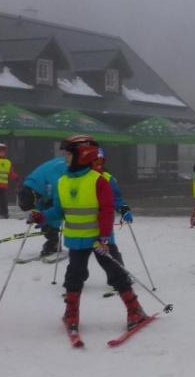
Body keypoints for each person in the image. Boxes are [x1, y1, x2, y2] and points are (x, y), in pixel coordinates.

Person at [28, 139, 146, 333]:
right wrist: (42, 217)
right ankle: (71, 313)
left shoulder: (102, 179)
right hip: (76, 240)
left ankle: (135, 310)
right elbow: (59, 210)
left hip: (100, 239)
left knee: (116, 272)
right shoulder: (63, 181)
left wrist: (122, 214)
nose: (65, 158)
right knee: (74, 275)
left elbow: (112, 205)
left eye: (68, 155)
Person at [20, 142, 83, 259]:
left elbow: (58, 205)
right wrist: (37, 216)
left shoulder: (54, 179)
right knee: (46, 215)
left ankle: (54, 243)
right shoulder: (34, 184)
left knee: (54, 215)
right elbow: (37, 204)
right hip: (46, 190)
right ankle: (52, 242)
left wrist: (44, 217)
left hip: (65, 191)